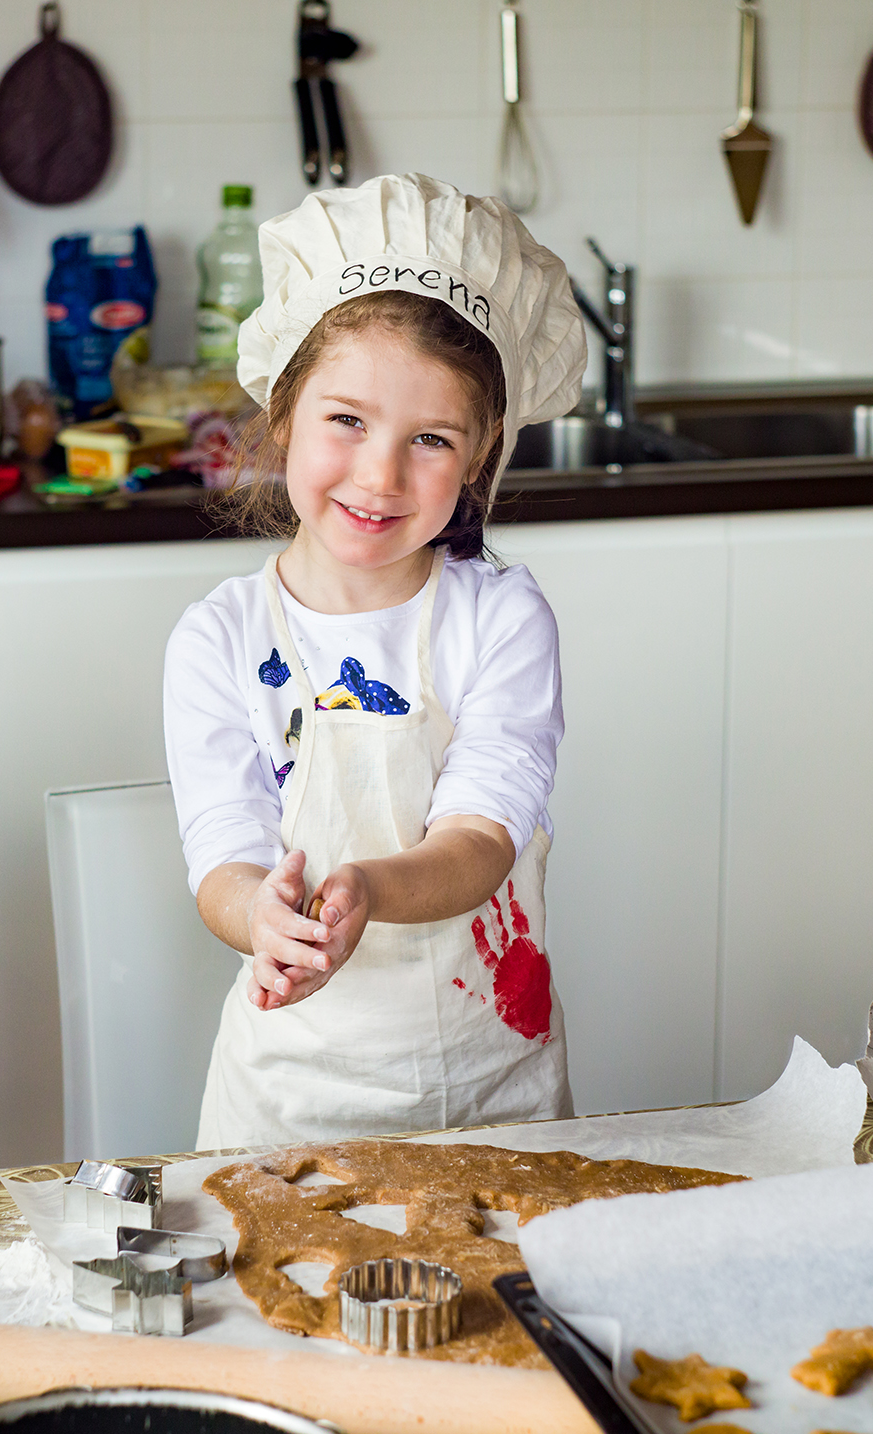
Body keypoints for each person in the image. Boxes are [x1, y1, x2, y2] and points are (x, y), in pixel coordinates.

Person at [162, 173, 588, 1148]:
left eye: (429, 439)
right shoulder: (220, 640)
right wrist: (260, 916)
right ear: (284, 415)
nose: (379, 474)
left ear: (479, 457)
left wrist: (365, 892)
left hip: (495, 1092)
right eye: (345, 420)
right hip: (287, 1100)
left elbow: (482, 839)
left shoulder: (499, 620)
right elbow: (222, 856)